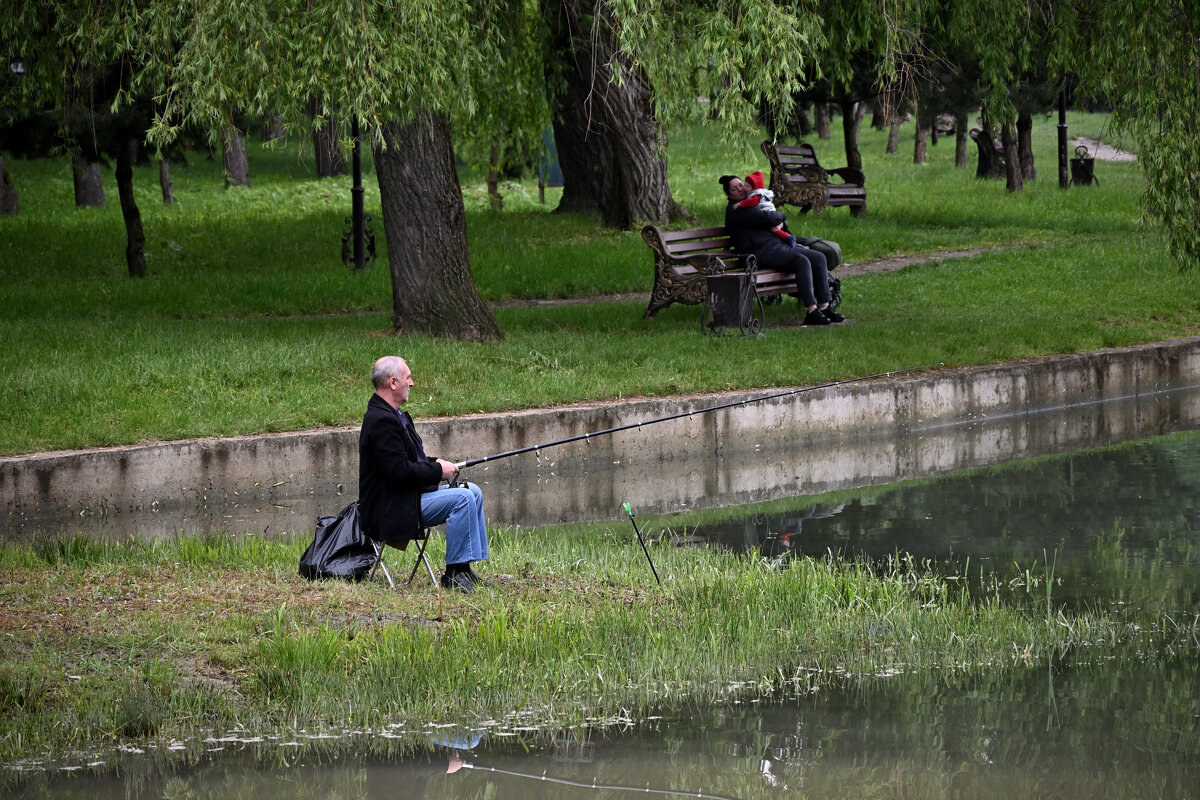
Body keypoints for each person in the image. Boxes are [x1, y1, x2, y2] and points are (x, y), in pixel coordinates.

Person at [358, 355, 489, 592]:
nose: (412, 383)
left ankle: (465, 568)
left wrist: (433, 462)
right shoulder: (380, 420)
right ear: (393, 382)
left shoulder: (394, 414)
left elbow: (405, 460)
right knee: (463, 499)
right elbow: (398, 472)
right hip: (389, 510)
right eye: (408, 378)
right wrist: (438, 470)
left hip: (404, 498)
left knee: (474, 491)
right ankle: (453, 574)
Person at [719, 174, 844, 325]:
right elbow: (771, 218)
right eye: (734, 188)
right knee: (801, 261)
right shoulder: (737, 210)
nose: (739, 189)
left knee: (818, 258)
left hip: (773, 247)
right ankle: (812, 311)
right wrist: (782, 216)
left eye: (740, 184)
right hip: (757, 253)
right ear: (729, 194)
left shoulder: (749, 203)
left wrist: (779, 222)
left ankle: (824, 307)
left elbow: (771, 219)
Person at [734, 171, 795, 247]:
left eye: (747, 186)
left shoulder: (757, 194)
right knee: (775, 229)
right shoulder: (756, 193)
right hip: (770, 213)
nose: (744, 188)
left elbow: (752, 202)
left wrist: (740, 204)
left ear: (754, 188)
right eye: (745, 185)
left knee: (774, 229)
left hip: (768, 211)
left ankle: (788, 237)